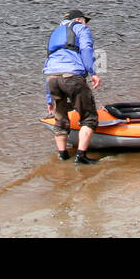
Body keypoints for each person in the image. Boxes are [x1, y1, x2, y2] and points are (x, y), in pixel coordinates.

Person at [44, 9, 102, 164]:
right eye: (85, 20)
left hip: (52, 78)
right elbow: (86, 49)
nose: (86, 24)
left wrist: (49, 100)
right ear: (78, 20)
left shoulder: (55, 33)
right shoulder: (80, 28)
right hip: (72, 76)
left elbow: (49, 61)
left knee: (60, 119)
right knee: (89, 117)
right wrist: (93, 72)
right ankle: (81, 157)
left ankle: (63, 156)